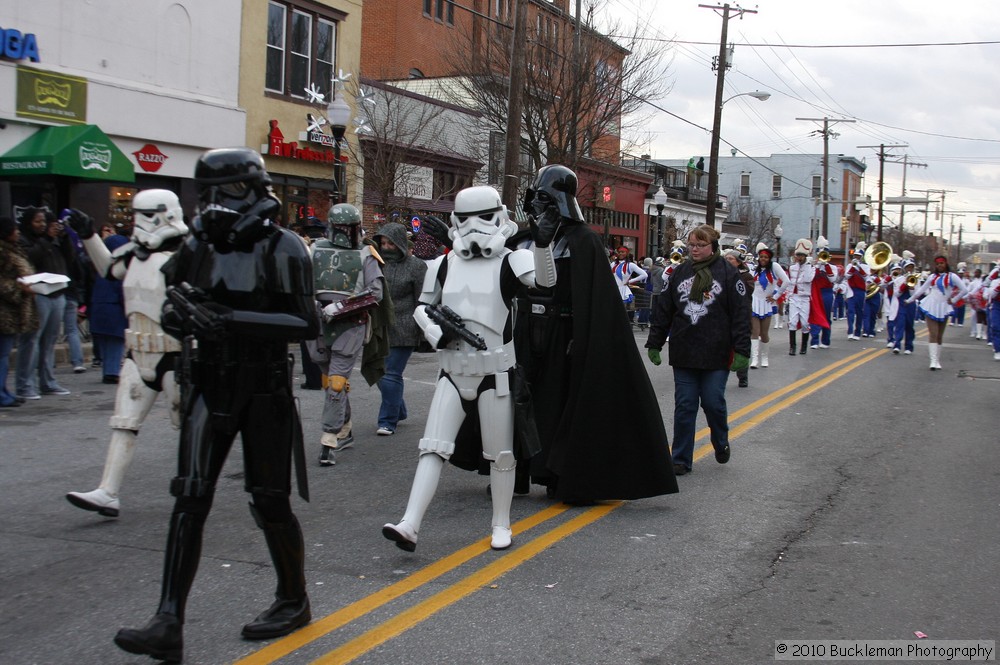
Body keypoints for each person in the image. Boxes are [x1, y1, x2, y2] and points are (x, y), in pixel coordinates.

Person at [113, 148, 319, 662]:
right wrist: (183, 315)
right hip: (209, 380)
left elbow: (305, 323)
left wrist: (228, 319)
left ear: (245, 190)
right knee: (190, 495)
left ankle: (293, 598)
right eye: (203, 195)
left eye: (217, 193)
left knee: (269, 499)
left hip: (265, 386)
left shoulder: (284, 246)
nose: (208, 204)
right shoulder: (198, 245)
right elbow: (172, 302)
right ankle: (168, 619)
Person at [382, 185, 553, 552]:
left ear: (500, 216)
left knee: (501, 455)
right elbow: (423, 305)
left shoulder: (511, 260)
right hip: (452, 369)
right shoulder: (443, 264)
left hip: (496, 372)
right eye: (466, 220)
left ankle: (501, 523)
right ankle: (410, 523)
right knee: (432, 447)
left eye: (483, 218)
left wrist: (541, 245)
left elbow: (545, 285)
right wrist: (434, 331)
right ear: (455, 222)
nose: (474, 227)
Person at [508, 164, 677, 502]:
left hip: (563, 330)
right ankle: (515, 471)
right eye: (535, 199)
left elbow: (595, 298)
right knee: (518, 399)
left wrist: (582, 339)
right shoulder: (522, 239)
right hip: (525, 327)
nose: (538, 207)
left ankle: (556, 472)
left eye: (545, 199)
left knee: (556, 401)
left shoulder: (583, 241)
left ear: (558, 200)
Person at [64, 190, 188, 518]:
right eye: (139, 214)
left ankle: (194, 488)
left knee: (189, 426)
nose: (144, 223)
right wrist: (89, 235)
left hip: (177, 353)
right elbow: (109, 270)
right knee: (124, 423)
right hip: (139, 352)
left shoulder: (188, 255)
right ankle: (108, 491)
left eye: (150, 215)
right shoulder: (134, 253)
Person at [646, 224, 750, 476]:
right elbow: (663, 310)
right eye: (691, 244)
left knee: (713, 402)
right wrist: (655, 341)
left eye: (700, 245)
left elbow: (740, 314)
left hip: (717, 351)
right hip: (685, 350)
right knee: (685, 406)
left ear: (712, 246)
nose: (694, 249)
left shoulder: (728, 273)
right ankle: (681, 458)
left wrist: (742, 350)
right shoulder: (679, 273)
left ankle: (720, 439)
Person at [310, 203, 388, 466]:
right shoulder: (315, 250)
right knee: (328, 379)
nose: (345, 232)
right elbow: (302, 282)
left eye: (349, 227)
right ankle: (344, 427)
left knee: (336, 381)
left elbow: (375, 292)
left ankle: (328, 437)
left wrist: (341, 307)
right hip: (319, 323)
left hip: (350, 325)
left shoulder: (366, 253)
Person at [372, 222, 426, 436]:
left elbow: (422, 299)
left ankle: (387, 421)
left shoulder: (416, 266)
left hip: (405, 326)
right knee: (377, 372)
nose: (386, 247)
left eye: (390, 243)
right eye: (383, 243)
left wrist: (423, 332)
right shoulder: (376, 262)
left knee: (391, 374)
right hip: (379, 326)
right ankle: (399, 408)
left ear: (400, 244)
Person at [15, 208, 73, 398]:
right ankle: (25, 385)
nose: (41, 225)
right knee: (31, 341)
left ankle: (48, 382)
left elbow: (70, 260)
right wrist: (46, 240)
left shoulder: (53, 241)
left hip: (57, 292)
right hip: (37, 294)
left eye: (43, 221)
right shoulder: (24, 240)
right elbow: (31, 259)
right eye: (37, 221)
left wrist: (63, 238)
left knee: (49, 341)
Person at [905, 254, 969, 370]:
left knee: (939, 335)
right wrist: (910, 300)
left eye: (942, 263)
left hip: (944, 306)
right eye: (938, 264)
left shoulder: (952, 277)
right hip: (931, 305)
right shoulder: (932, 277)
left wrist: (954, 300)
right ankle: (933, 361)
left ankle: (937, 360)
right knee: (933, 333)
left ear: (945, 264)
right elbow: (921, 290)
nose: (940, 265)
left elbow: (964, 290)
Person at [0, 216, 39, 407]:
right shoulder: (2, 252)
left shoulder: (13, 249)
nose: (18, 232)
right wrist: (18, 287)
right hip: (3, 311)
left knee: (5, 354)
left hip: (12, 311)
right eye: (14, 229)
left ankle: (4, 391)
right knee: (2, 354)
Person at [87, 226, 129, 384]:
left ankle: (108, 369)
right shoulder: (117, 270)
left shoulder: (100, 268)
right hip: (114, 309)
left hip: (98, 308)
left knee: (105, 343)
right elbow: (121, 291)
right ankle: (112, 372)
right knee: (115, 342)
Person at [748, 243, 788, 369]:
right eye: (761, 257)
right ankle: (754, 360)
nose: (763, 259)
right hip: (755, 302)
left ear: (769, 258)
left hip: (766, 303)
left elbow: (787, 281)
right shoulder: (755, 269)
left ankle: (764, 357)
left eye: (765, 257)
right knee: (755, 332)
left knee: (764, 334)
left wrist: (776, 296)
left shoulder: (774, 267)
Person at [724, 248, 754, 387]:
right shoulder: (720, 274)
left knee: (740, 344)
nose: (728, 261)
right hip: (725, 314)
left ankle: (743, 376)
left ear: (738, 262)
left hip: (741, 314)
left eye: (731, 259)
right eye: (726, 258)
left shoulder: (746, 276)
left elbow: (746, 293)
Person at [786, 238, 817, 355]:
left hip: (805, 298)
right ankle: (792, 347)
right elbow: (790, 283)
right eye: (798, 255)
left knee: (804, 323)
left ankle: (804, 346)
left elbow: (808, 279)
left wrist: (808, 265)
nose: (799, 257)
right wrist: (787, 298)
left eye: (801, 255)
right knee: (792, 322)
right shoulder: (792, 267)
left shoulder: (811, 268)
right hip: (794, 297)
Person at [611, 246, 647, 323]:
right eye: (619, 252)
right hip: (613, 290)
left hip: (623, 290)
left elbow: (644, 274)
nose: (621, 253)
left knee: (621, 311)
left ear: (626, 253)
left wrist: (630, 281)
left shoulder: (630, 265)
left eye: (623, 252)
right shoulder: (613, 264)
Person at [844, 244, 869, 340]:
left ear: (861, 257)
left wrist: (859, 267)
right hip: (851, 291)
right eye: (855, 256)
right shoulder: (850, 265)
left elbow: (866, 277)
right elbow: (847, 276)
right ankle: (850, 331)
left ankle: (857, 332)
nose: (856, 258)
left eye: (858, 256)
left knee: (859, 312)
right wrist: (853, 267)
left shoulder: (865, 266)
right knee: (850, 312)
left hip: (860, 291)